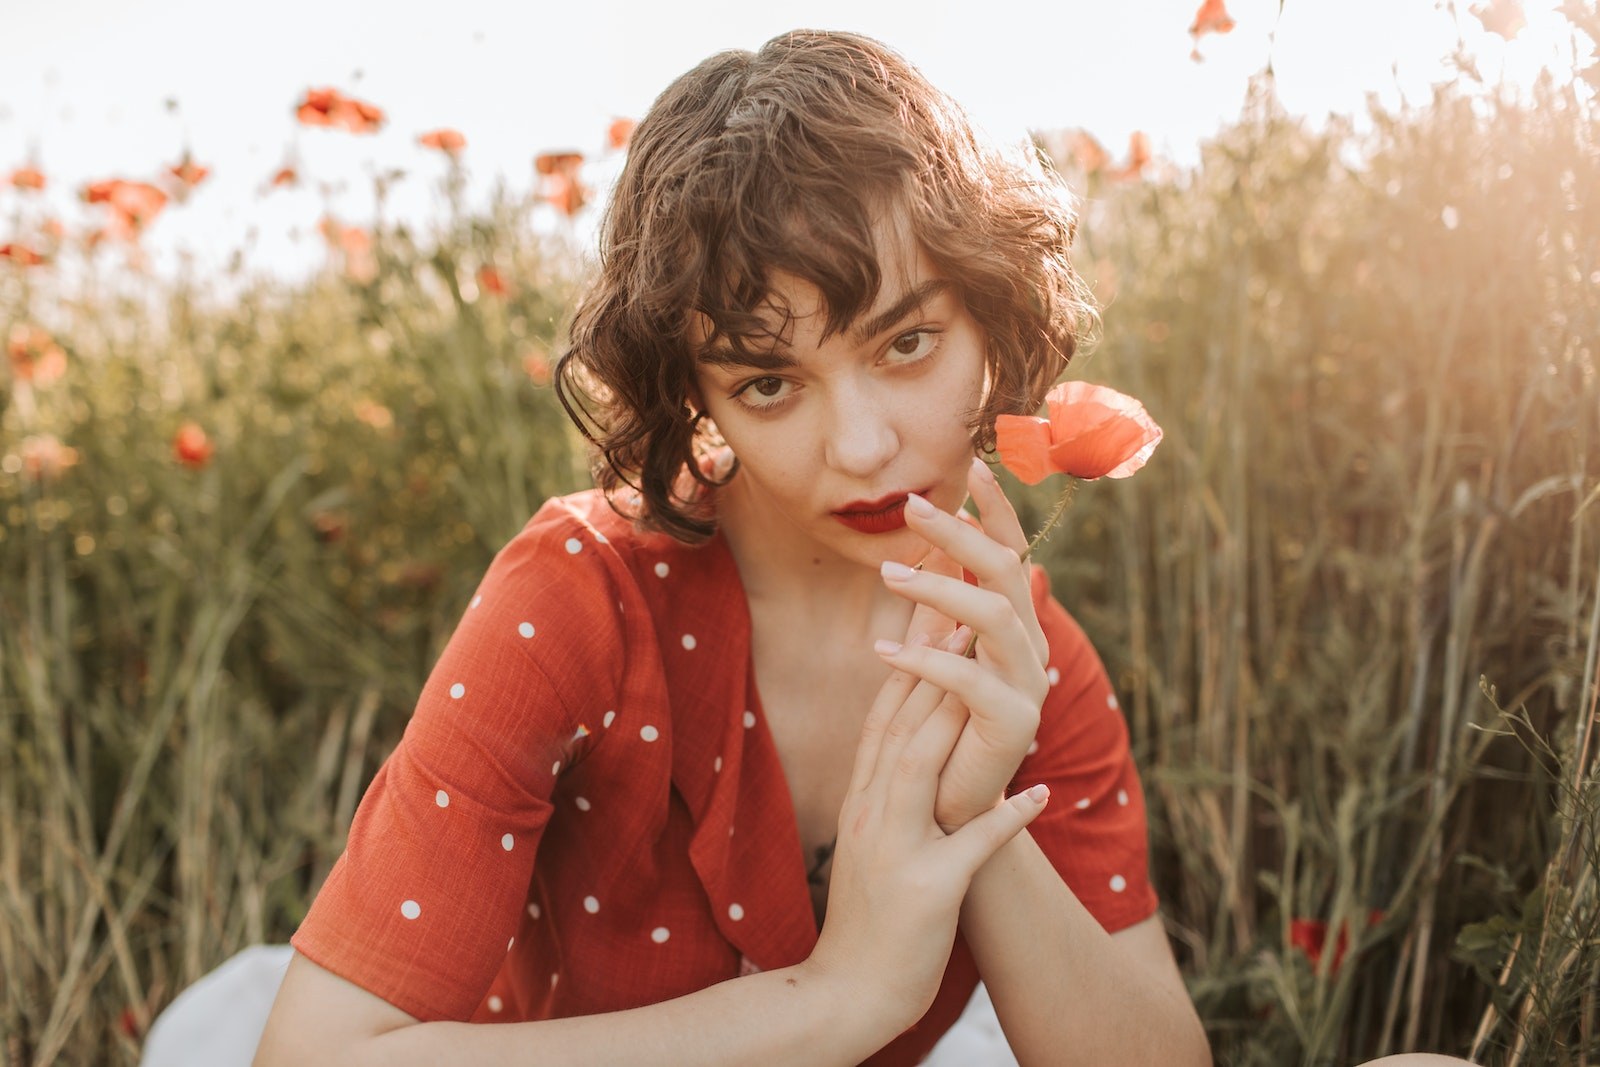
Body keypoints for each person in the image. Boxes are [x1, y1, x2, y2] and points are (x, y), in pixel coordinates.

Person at [249, 29, 1468, 1067]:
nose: (866, 444)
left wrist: (973, 812)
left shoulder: (1023, 657)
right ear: (697, 404)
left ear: (991, 317)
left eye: (904, 345)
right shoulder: (580, 595)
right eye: (770, 381)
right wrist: (834, 1002)